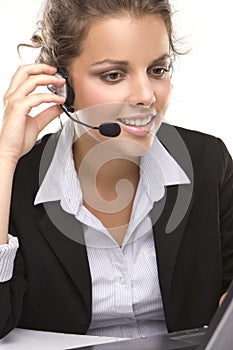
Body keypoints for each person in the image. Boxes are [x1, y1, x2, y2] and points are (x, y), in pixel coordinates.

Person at [0, 0, 232, 341]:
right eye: (113, 75)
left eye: (158, 70)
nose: (146, 96)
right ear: (60, 85)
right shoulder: (17, 181)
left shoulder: (208, 162)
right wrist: (6, 159)